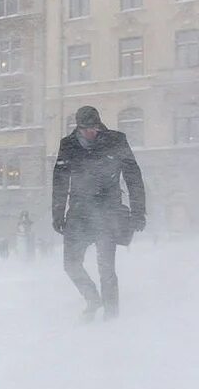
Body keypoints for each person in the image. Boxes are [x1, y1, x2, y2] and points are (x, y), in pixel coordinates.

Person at [52, 105, 145, 321]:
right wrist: (58, 214)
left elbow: (133, 177)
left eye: (94, 128)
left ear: (99, 124)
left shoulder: (116, 140)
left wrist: (138, 212)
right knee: (71, 264)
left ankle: (111, 316)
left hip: (108, 214)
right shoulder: (68, 145)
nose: (91, 133)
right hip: (78, 215)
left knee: (106, 268)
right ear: (78, 128)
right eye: (86, 129)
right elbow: (60, 181)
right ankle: (93, 298)